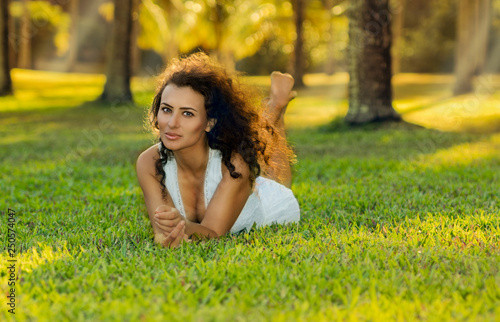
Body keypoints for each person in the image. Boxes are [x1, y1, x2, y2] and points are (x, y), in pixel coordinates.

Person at [136, 53, 300, 248]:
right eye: (166, 109)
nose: (172, 123)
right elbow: (164, 234)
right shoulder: (149, 162)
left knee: (276, 180)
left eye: (187, 113)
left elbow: (213, 233)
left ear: (209, 122)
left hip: (269, 206)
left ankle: (275, 105)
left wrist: (180, 226)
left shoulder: (234, 164)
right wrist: (168, 234)